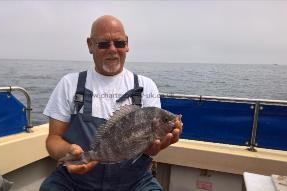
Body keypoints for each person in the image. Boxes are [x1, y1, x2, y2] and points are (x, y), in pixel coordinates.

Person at [40, 15, 182, 191]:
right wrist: (69, 151)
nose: (113, 49)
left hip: (134, 182)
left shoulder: (146, 86)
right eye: (103, 44)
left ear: (127, 44)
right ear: (90, 45)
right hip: (74, 181)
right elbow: (53, 139)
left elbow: (149, 149)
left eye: (119, 43)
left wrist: (153, 149)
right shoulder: (70, 84)